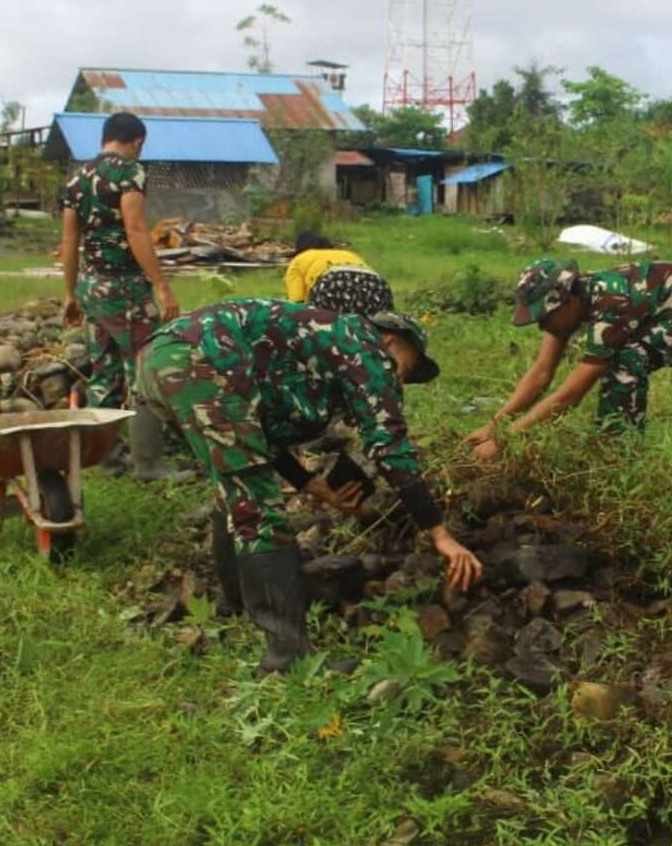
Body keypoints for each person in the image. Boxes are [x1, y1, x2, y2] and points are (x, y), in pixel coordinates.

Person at [137, 302, 482, 676]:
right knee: (258, 502)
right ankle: (287, 657)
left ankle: (233, 600)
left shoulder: (322, 344)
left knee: (236, 484)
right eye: (406, 367)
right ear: (392, 340)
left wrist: (312, 485)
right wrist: (439, 533)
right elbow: (390, 446)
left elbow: (260, 438)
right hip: (200, 360)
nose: (397, 381)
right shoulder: (366, 346)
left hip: (161, 359)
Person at [463, 258, 672, 461]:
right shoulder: (573, 306)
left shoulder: (611, 303)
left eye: (545, 317)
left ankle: (617, 456)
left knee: (628, 356)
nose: (543, 326)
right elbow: (541, 373)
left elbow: (572, 393)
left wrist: (506, 439)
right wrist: (494, 424)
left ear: (568, 300)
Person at [59, 111, 182, 480]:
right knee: (144, 370)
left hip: (92, 287)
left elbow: (69, 239)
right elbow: (136, 228)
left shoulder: (76, 180)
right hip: (125, 288)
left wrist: (69, 293)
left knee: (105, 371)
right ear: (137, 142)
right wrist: (160, 284)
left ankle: (108, 458)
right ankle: (149, 464)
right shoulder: (129, 173)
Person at [285, 230, 395, 316]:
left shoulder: (299, 259)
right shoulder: (347, 253)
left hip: (333, 283)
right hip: (376, 285)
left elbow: (296, 305)